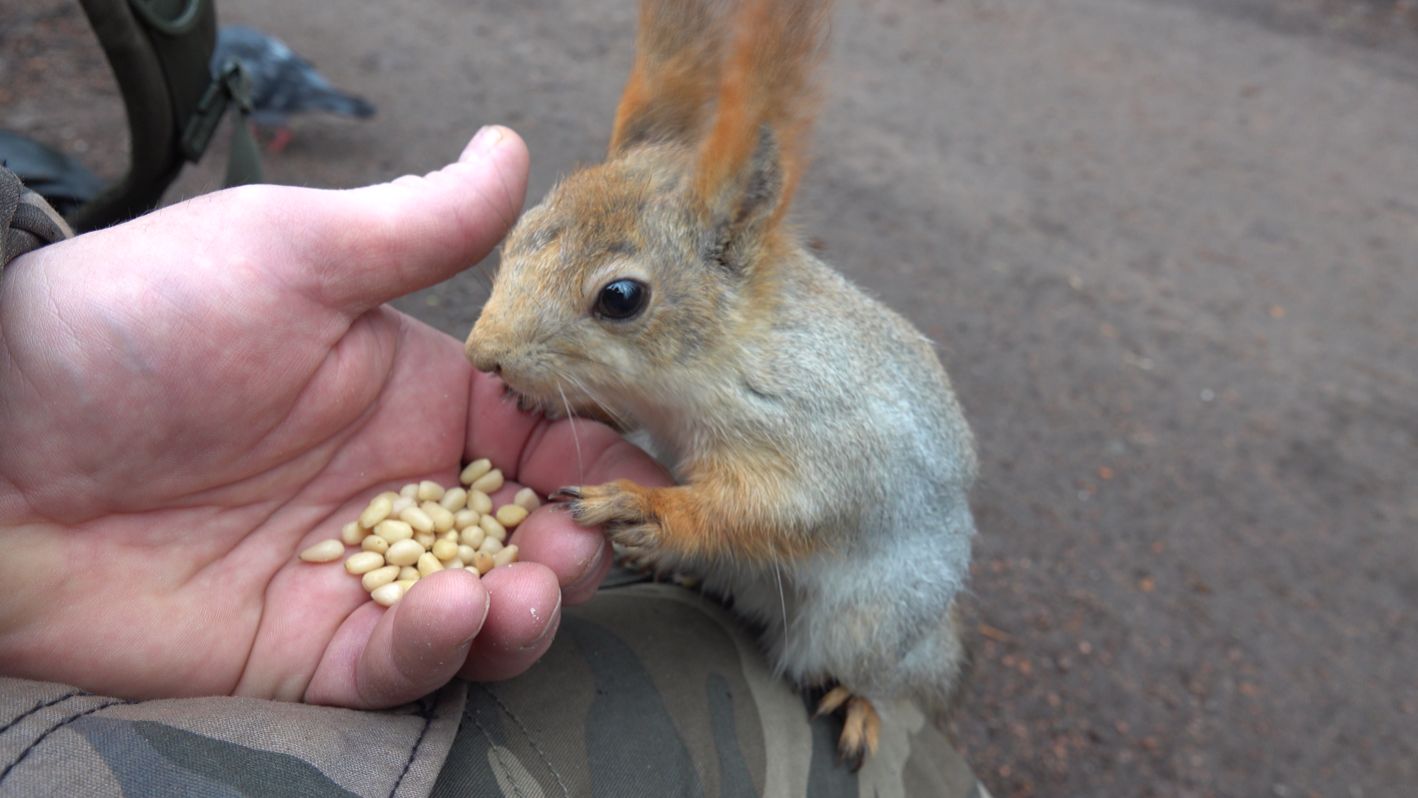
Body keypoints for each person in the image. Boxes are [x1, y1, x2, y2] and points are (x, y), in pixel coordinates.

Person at [0, 128, 985, 796]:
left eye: (615, 300)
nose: (477, 349)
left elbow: (809, 505)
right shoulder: (690, 360)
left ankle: (874, 697)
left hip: (833, 583)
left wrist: (680, 520)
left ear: (723, 271)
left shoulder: (799, 388)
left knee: (854, 653)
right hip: (720, 548)